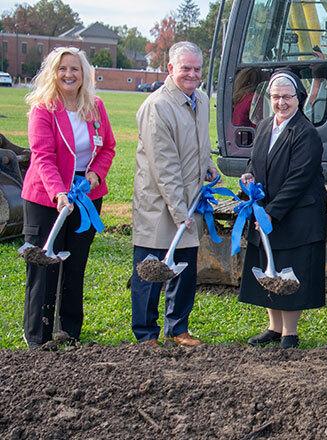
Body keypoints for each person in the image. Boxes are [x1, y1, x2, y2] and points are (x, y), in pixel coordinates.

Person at [21, 47, 116, 348]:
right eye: (62, 69)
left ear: (84, 73)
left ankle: (69, 331)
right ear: (52, 73)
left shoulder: (95, 106)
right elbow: (43, 156)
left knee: (75, 265)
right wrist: (58, 192)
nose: (68, 74)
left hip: (86, 197)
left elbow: (108, 148)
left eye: (75, 69)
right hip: (46, 198)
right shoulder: (43, 109)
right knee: (44, 265)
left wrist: (95, 175)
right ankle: (38, 335)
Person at [130, 41, 218, 347]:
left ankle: (178, 328)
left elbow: (200, 142)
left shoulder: (202, 100)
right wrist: (180, 212)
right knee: (150, 269)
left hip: (189, 198)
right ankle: (145, 334)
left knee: (184, 267)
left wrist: (208, 165)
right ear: (170, 69)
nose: (192, 75)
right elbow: (163, 166)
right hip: (158, 204)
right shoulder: (158, 106)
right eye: (185, 69)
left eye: (197, 69)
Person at [238, 70, 327, 348]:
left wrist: (271, 213)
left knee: (289, 271)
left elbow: (298, 180)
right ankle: (274, 328)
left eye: (287, 97)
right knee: (267, 267)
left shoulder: (306, 133)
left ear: (298, 99)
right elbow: (254, 161)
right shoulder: (265, 125)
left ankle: (290, 332)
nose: (281, 103)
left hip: (295, 216)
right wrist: (248, 176)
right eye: (276, 97)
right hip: (269, 212)